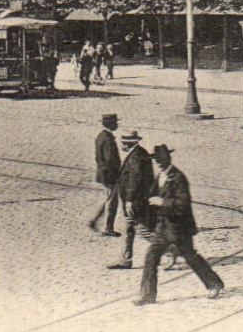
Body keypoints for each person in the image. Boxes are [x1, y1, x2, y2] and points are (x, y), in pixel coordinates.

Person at [135, 143, 224, 304]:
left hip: (180, 227)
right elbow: (151, 196)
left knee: (191, 257)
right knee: (151, 256)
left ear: (168, 159)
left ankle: (214, 284)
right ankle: (147, 295)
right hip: (163, 227)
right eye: (157, 160)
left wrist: (162, 202)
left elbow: (183, 203)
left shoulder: (178, 177)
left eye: (162, 160)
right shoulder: (160, 176)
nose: (159, 163)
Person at [108, 130, 151, 269]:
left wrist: (129, 201)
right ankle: (125, 259)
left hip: (134, 200)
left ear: (127, 144)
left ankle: (171, 251)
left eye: (122, 143)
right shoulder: (140, 153)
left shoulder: (135, 158)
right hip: (138, 199)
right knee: (129, 228)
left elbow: (135, 179)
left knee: (141, 229)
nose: (121, 145)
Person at [87, 113, 123, 236]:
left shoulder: (101, 136)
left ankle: (93, 220)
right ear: (111, 124)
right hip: (110, 174)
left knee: (107, 198)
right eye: (115, 122)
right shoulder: (108, 139)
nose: (117, 125)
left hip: (103, 172)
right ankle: (108, 228)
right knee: (112, 202)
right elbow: (110, 159)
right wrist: (117, 173)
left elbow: (98, 157)